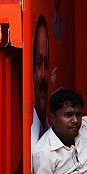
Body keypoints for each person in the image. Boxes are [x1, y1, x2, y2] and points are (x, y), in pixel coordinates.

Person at [31, 15, 52, 144]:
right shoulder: (27, 132)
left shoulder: (49, 123)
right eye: (39, 64)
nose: (44, 75)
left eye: (46, 65)